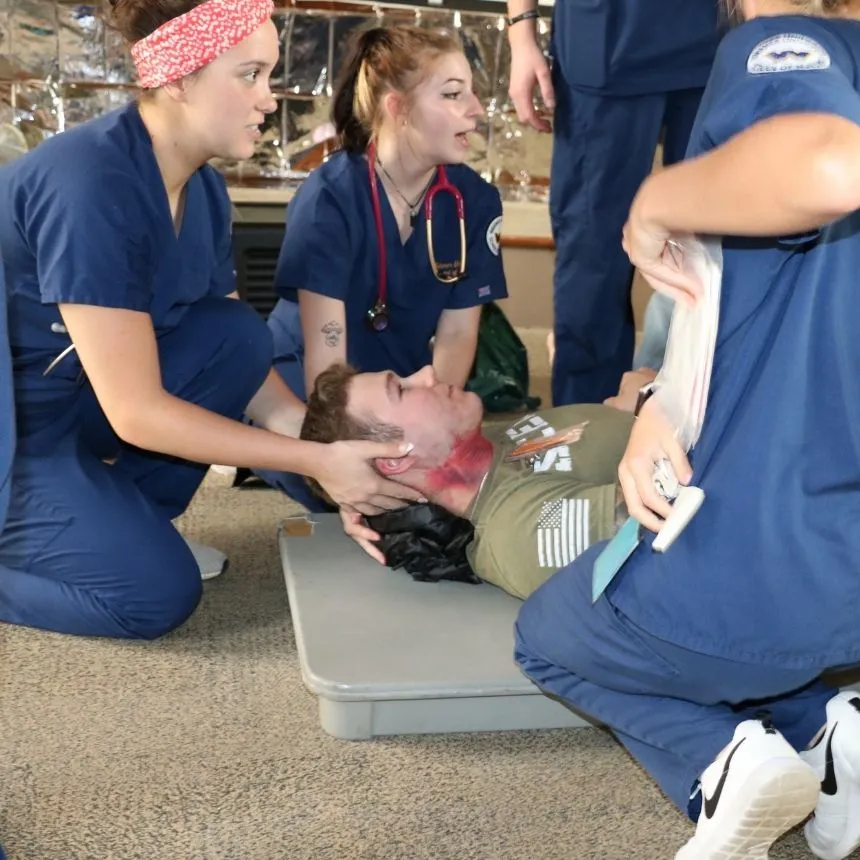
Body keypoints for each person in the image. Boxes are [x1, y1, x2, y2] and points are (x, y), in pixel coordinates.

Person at [514, 1, 860, 857]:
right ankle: (829, 735)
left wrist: (656, 198)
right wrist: (659, 409)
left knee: (550, 636)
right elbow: (710, 319)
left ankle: (723, 760)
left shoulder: (783, 43)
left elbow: (828, 167)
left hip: (789, 559)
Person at [0, 0, 424, 641]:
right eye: (249, 74)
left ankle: (118, 525)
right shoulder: (90, 184)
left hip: (63, 403)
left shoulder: (201, 192)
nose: (270, 99)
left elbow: (241, 367)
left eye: (272, 75)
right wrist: (314, 459)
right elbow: (137, 413)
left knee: (234, 336)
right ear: (177, 78)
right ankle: (93, 545)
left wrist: (323, 457)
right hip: (16, 426)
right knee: (155, 595)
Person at [253, 24, 508, 508]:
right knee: (343, 492)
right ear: (397, 107)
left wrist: (442, 430)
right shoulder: (329, 199)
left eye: (472, 93)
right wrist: (344, 453)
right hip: (316, 382)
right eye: (454, 94)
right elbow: (327, 366)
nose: (476, 110)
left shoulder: (474, 201)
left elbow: (456, 336)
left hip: (404, 381)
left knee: (436, 476)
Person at [506, 0, 722, 405]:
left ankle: (705, 432)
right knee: (591, 265)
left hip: (717, 40)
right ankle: (584, 433)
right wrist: (522, 32)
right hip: (603, 43)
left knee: (715, 257)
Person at [299, 362, 634, 600]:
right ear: (394, 459)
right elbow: (669, 527)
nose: (427, 372)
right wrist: (654, 404)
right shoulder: (517, 528)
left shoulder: (485, 443)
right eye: (401, 388)